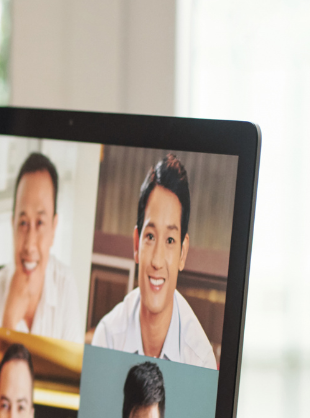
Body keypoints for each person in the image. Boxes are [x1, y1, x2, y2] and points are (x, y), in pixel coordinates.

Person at [90, 153, 218, 369]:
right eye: (150, 237)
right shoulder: (108, 338)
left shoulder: (200, 361)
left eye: (170, 240)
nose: (157, 261)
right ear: (136, 244)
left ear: (183, 253)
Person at [0, 151, 84, 343]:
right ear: (12, 225)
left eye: (40, 223)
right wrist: (8, 322)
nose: (29, 244)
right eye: (23, 223)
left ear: (53, 228)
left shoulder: (66, 286)